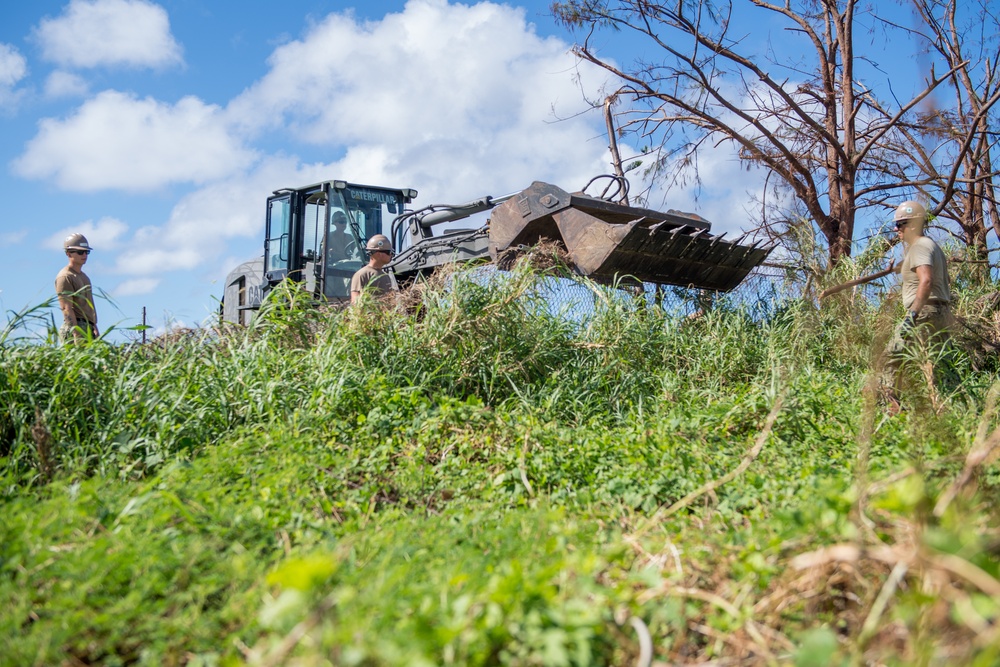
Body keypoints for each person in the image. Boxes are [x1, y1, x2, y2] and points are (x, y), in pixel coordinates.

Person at [881, 200, 953, 409]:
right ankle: (946, 410)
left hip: (923, 313)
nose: (896, 229)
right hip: (940, 312)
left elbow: (927, 280)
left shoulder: (920, 246)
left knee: (891, 356)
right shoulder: (930, 246)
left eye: (900, 224)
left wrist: (912, 316)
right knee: (936, 365)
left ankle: (894, 412)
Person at [55, 232, 99, 341]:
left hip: (88, 327)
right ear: (68, 253)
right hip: (76, 327)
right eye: (80, 252)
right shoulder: (65, 276)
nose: (84, 255)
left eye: (86, 252)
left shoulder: (84, 277)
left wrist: (94, 326)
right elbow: (66, 308)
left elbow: (88, 306)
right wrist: (75, 333)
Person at [350, 234, 396, 304]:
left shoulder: (385, 276)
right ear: (378, 254)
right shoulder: (361, 275)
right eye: (389, 252)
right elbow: (356, 304)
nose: (391, 255)